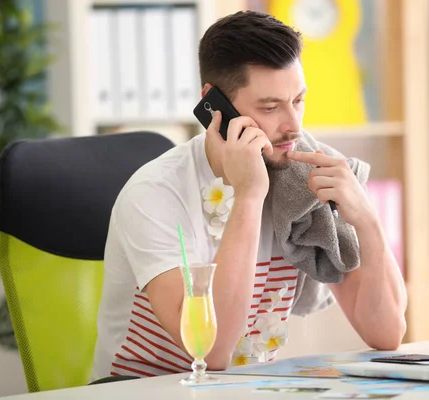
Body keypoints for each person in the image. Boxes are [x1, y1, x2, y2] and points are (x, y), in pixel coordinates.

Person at [90, 10, 407, 381]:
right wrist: (250, 196)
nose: (293, 125)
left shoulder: (306, 179)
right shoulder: (154, 195)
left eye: (299, 100)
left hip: (248, 388)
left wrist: (365, 219)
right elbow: (210, 352)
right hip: (144, 391)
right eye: (270, 107)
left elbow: (386, 334)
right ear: (214, 105)